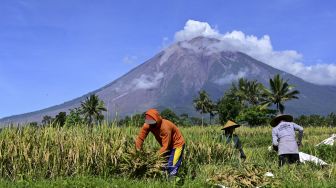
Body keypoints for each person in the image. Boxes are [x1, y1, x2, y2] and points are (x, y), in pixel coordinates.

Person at [135, 108, 185, 176]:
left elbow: (165, 146)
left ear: (157, 120)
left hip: (177, 145)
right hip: (167, 146)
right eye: (149, 123)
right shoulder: (148, 125)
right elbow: (140, 139)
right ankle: (164, 180)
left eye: (153, 123)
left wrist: (154, 156)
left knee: (171, 165)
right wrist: (137, 151)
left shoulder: (165, 128)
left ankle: (173, 183)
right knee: (163, 164)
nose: (151, 126)